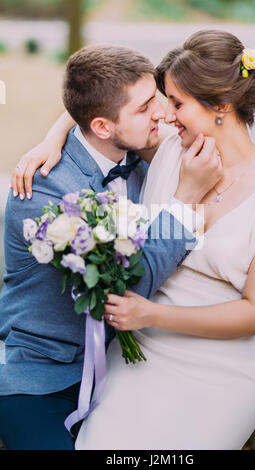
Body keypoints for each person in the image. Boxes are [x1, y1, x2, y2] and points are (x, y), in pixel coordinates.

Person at [74, 30, 255, 449]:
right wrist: (50, 144)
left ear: (221, 105)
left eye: (176, 103)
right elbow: (102, 110)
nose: (166, 115)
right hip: (141, 356)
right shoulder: (172, 152)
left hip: (222, 372)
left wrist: (151, 315)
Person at [0, 44, 221, 450]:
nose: (160, 112)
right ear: (101, 126)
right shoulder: (43, 190)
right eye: (144, 108)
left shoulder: (139, 146)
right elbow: (128, 290)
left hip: (123, 368)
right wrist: (186, 198)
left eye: (155, 97)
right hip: (39, 378)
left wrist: (58, 127)